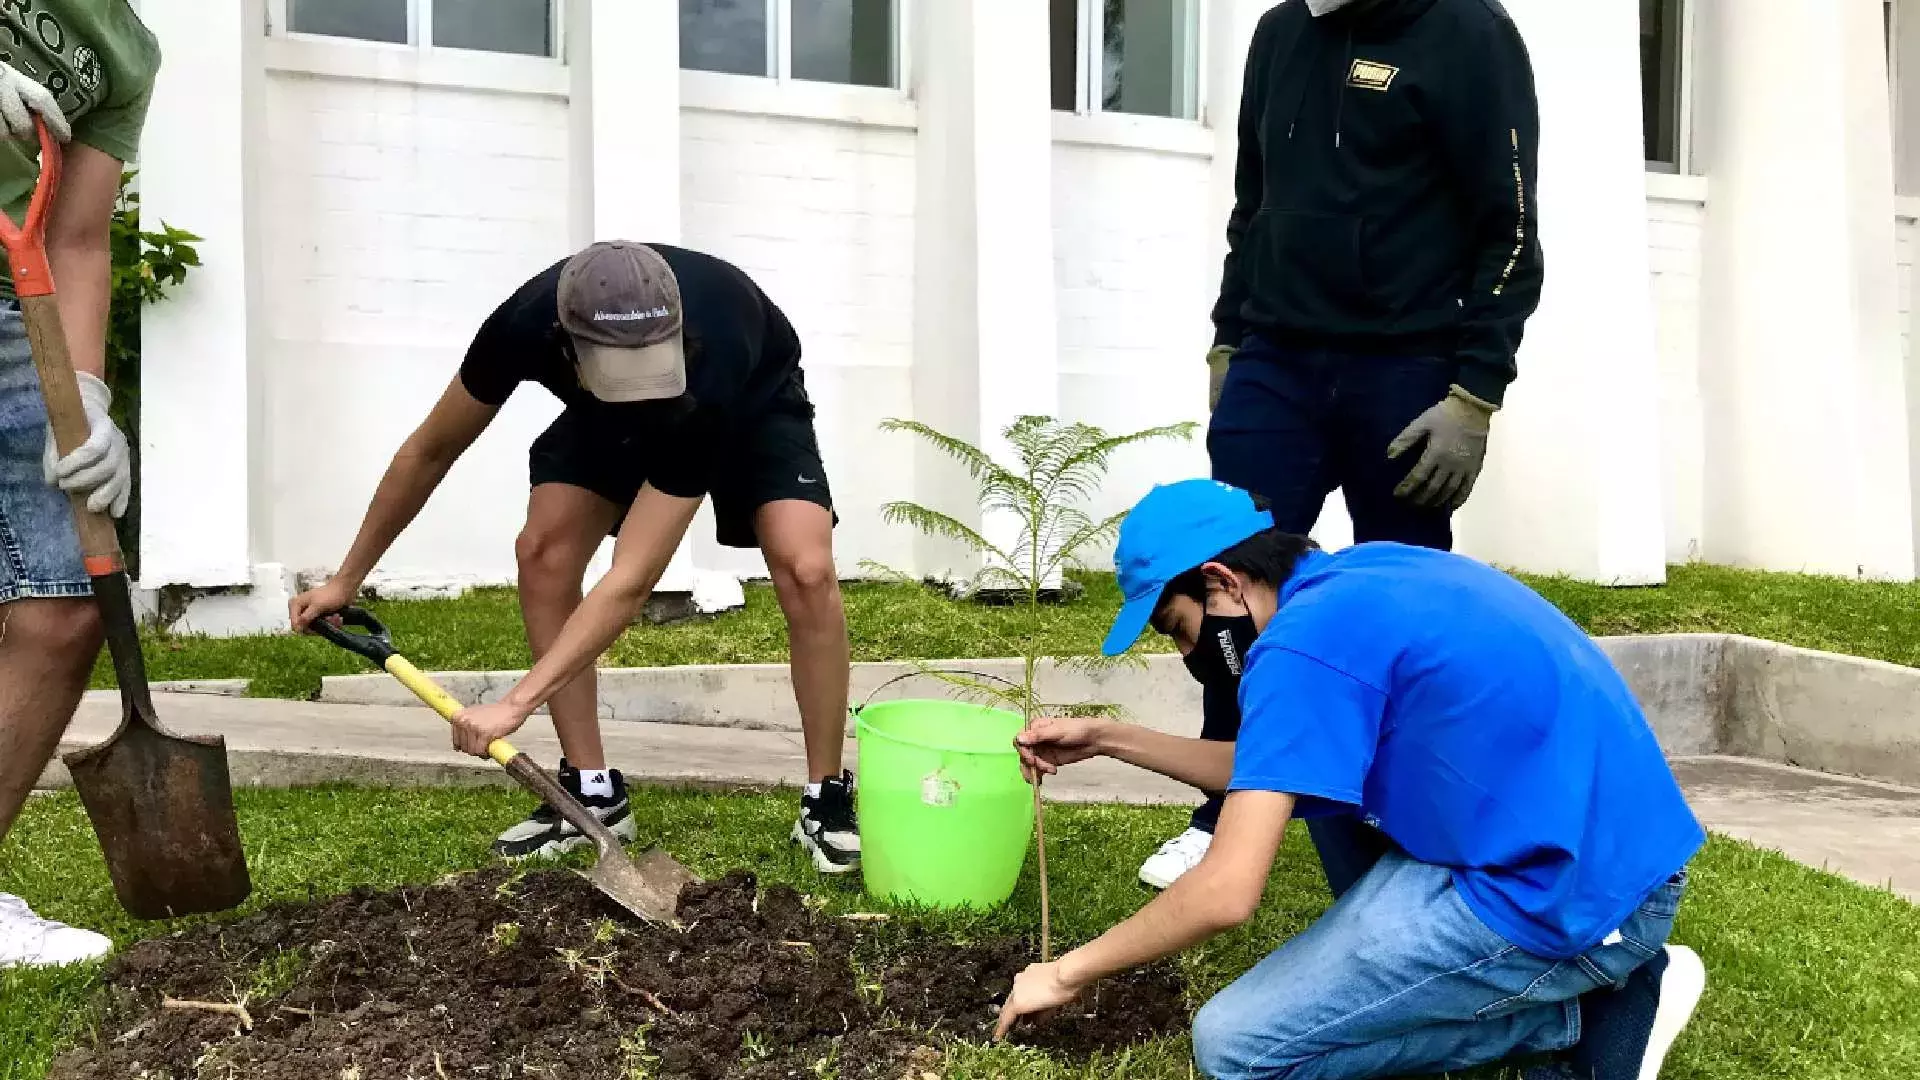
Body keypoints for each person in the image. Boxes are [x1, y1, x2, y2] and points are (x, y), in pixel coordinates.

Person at [998, 479, 1707, 1080]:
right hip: (1587, 845)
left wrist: (1063, 973)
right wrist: (1109, 739)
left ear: (1220, 582)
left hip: (1566, 892)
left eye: (1179, 628)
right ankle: (1569, 996)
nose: (1190, 654)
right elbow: (1268, 773)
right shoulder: (1360, 579)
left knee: (1237, 1047)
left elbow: (1225, 893)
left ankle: (1577, 1016)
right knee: (1327, 814)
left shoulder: (1299, 649)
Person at [288, 241, 860, 873]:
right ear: (567, 346)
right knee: (542, 552)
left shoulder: (715, 348)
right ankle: (589, 793)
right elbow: (430, 450)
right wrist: (347, 578)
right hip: (601, 409)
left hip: (746, 399)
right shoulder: (521, 326)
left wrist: (515, 703)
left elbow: (633, 578)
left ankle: (825, 796)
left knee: (807, 570)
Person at [1146, 0, 1547, 890]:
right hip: (1277, 359)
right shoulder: (1281, 32)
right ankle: (1226, 811)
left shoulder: (1468, 33)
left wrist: (1475, 394)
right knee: (1228, 586)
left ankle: (1411, 819)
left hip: (1407, 370)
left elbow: (1510, 230)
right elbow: (1254, 206)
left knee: (1402, 605)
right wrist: (1229, 337)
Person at [0, 2, 161, 969]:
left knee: (69, 603)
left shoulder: (130, 52)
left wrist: (90, 398)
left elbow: (80, 234)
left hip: (16, 309)